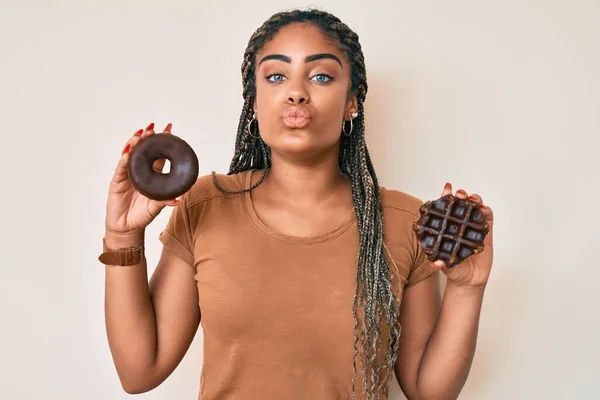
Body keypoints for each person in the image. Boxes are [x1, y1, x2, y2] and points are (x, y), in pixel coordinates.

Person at [100, 8, 494, 400]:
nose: (296, 91)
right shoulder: (205, 204)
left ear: (351, 103)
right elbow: (139, 372)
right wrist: (123, 234)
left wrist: (467, 289)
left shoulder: (403, 221)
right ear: (253, 102)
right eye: (276, 76)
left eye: (321, 76)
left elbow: (430, 393)